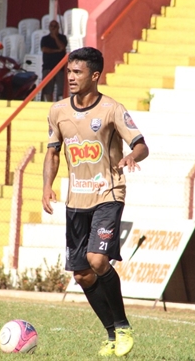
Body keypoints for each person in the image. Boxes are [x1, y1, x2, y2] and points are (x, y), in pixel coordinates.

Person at [42, 47, 149, 357]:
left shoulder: (113, 110)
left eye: (78, 72)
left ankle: (124, 326)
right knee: (82, 274)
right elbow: (52, 152)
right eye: (69, 72)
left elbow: (141, 145)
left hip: (108, 193)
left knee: (98, 261)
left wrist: (130, 155)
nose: (71, 77)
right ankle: (111, 333)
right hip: (77, 199)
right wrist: (47, 186)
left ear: (95, 75)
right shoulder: (58, 111)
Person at [40, 20, 68, 102]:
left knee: (60, 90)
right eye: (51, 26)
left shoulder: (63, 38)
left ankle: (60, 104)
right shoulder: (45, 39)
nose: (53, 28)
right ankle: (49, 105)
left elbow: (62, 47)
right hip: (48, 67)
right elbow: (45, 49)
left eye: (55, 26)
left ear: (58, 27)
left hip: (60, 68)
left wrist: (55, 37)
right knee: (48, 90)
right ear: (49, 27)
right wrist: (57, 51)